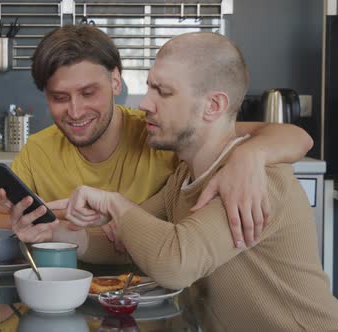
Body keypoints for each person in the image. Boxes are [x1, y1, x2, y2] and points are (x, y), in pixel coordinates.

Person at [42, 32, 338, 330]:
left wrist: (113, 202)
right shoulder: (184, 177)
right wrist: (52, 231)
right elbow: (126, 240)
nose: (145, 103)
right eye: (149, 88)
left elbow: (176, 263)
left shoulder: (258, 181)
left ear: (213, 106)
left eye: (163, 92)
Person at [0, 24, 312, 252]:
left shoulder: (162, 135)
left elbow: (293, 136)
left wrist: (249, 156)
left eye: (88, 92)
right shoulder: (41, 148)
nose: (76, 111)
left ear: (116, 82)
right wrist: (42, 221)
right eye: (59, 98)